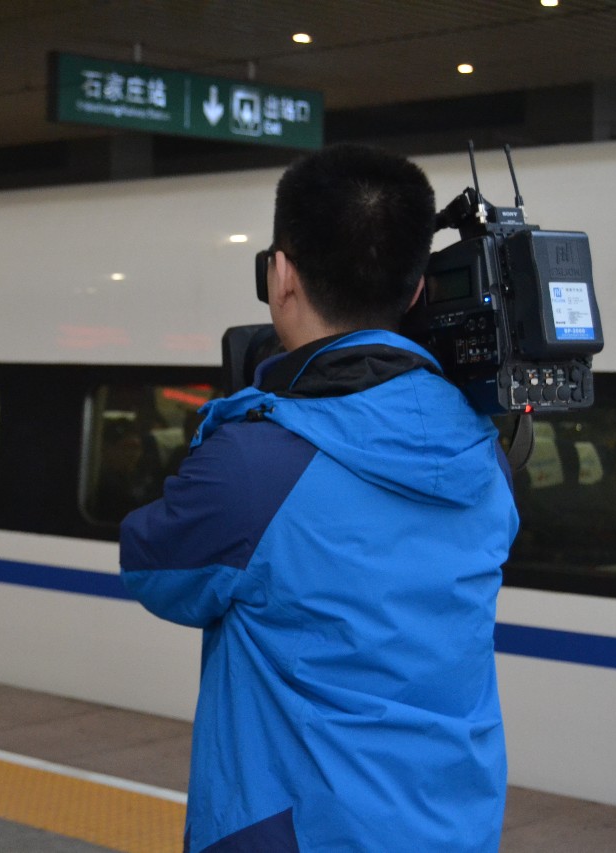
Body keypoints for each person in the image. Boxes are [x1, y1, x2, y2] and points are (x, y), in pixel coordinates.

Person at [119, 144, 520, 853]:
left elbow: (155, 567)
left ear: (280, 275)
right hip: (453, 827)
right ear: (419, 289)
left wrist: (241, 411)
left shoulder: (254, 459)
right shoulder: (485, 450)